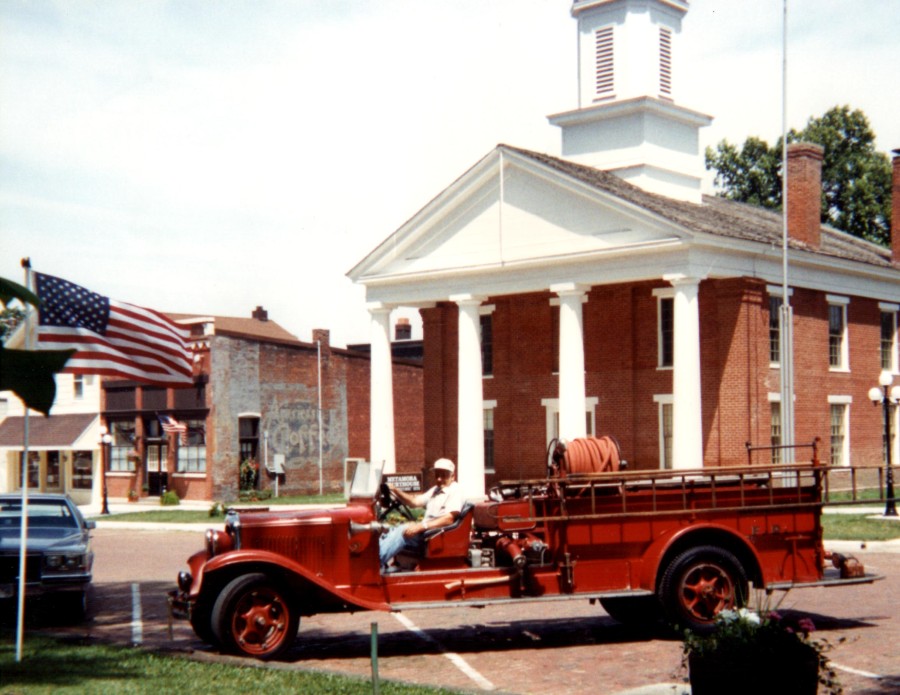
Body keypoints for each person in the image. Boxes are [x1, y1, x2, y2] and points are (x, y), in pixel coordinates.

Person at [379, 458, 464, 572]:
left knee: (403, 531)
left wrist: (421, 526)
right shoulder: (436, 490)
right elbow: (414, 502)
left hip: (436, 536)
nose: (439, 479)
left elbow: (449, 519)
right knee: (392, 528)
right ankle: (376, 559)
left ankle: (375, 563)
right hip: (428, 533)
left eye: (443, 475)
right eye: (437, 475)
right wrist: (395, 489)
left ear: (453, 476)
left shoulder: (455, 491)